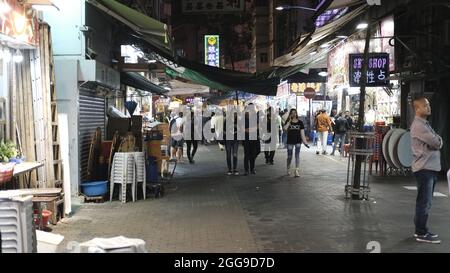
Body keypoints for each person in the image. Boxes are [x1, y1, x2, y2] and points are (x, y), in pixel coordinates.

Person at [410, 96, 443, 244]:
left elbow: (436, 141)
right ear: (417, 109)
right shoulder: (419, 126)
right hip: (425, 168)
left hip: (429, 167)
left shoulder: (424, 124)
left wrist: (437, 141)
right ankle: (421, 232)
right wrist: (438, 141)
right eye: (425, 105)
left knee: (426, 202)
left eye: (429, 105)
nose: (429, 107)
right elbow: (436, 142)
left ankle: (422, 230)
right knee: (424, 202)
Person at [283, 109, 309, 177]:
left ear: (296, 114)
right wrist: (289, 121)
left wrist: (305, 142)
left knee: (297, 156)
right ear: (290, 114)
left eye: (295, 113)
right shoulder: (288, 121)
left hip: (298, 141)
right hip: (290, 141)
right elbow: (285, 129)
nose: (294, 114)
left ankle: (296, 170)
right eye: (292, 113)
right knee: (289, 156)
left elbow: (302, 133)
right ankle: (288, 168)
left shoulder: (300, 122)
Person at [243, 103, 260, 175]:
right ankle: (246, 170)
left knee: (254, 153)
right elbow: (243, 129)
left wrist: (250, 129)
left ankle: (252, 168)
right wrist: (252, 129)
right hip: (246, 138)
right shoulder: (244, 117)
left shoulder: (255, 116)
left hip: (254, 138)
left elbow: (258, 126)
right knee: (247, 154)